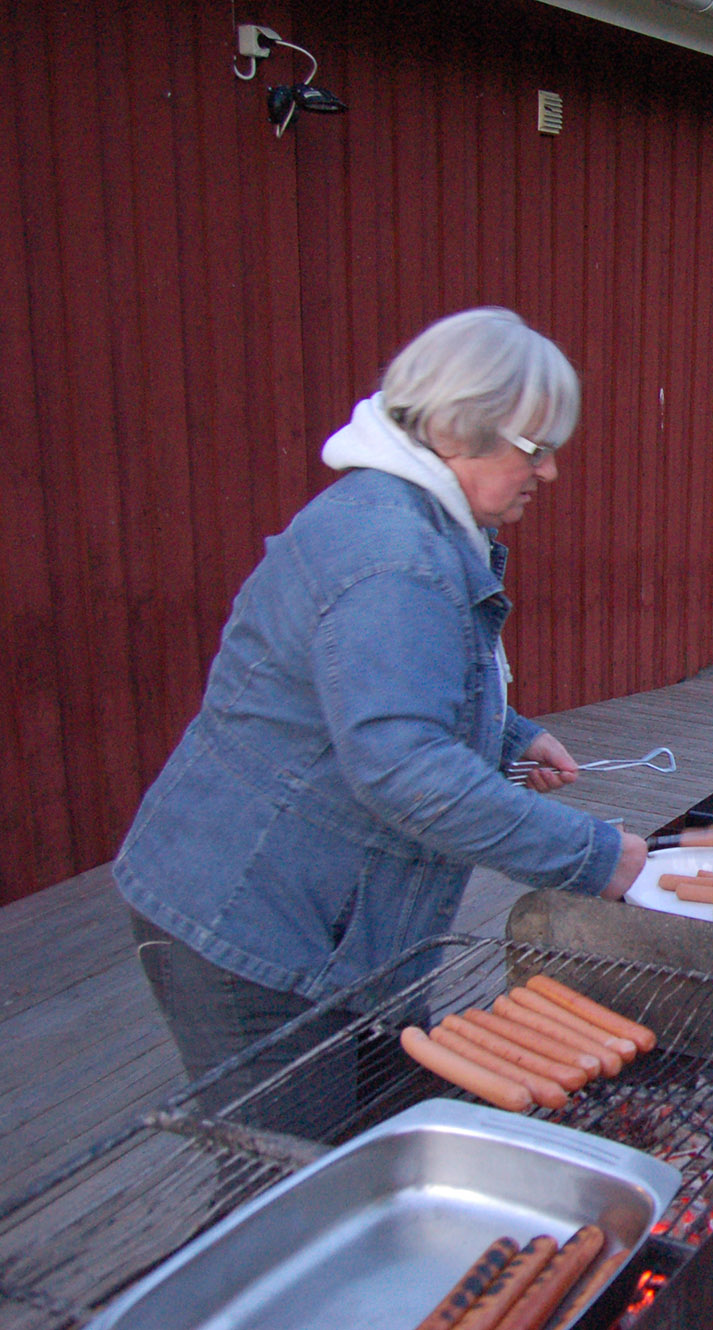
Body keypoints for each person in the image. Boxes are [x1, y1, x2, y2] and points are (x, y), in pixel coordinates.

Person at [116, 307, 650, 1109]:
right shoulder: (391, 555)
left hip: (326, 926)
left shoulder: (415, 523)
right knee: (293, 1191)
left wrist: (507, 733)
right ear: (452, 431)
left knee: (367, 1148)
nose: (549, 475)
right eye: (535, 451)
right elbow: (404, 770)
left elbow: (375, 690)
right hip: (248, 926)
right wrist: (593, 857)